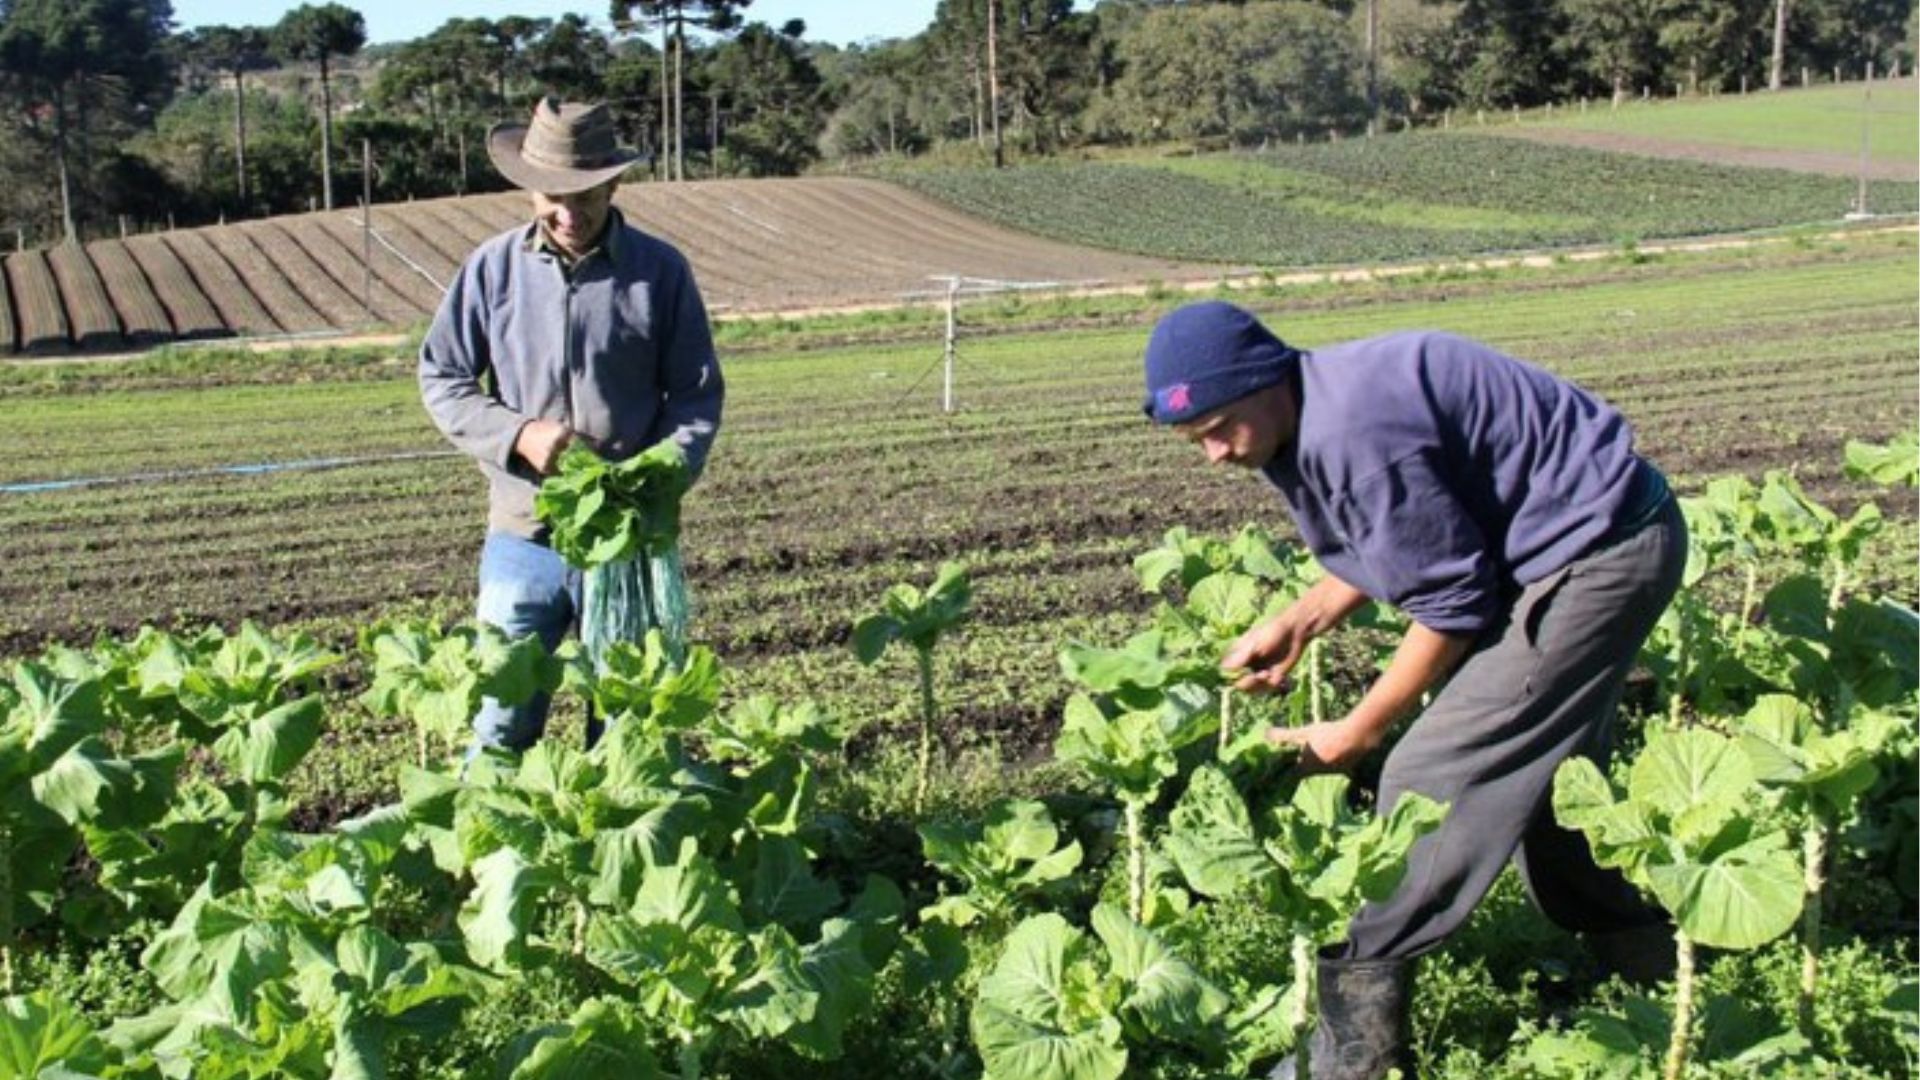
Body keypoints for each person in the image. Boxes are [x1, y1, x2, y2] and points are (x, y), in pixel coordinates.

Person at [1141, 301, 1684, 1080]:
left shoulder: (1355, 437)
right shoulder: (1316, 401)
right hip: (1587, 540)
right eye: (1194, 441)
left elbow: (1452, 606)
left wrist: (1357, 732)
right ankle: (1654, 976)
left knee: (1431, 778)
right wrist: (1303, 617)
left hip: (1599, 555)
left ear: (1262, 380)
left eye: (1220, 429)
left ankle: (1355, 1057)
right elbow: (1410, 534)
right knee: (1549, 779)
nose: (1214, 455)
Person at [419, 97, 723, 753]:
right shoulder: (491, 270)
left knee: (627, 726)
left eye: (583, 195)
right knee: (500, 721)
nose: (567, 212)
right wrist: (516, 435)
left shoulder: (660, 273)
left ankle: (616, 849)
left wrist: (659, 476)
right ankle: (498, 854)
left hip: (628, 542)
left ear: (614, 183)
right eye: (550, 195)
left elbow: (696, 397)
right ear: (528, 187)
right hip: (523, 536)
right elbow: (441, 376)